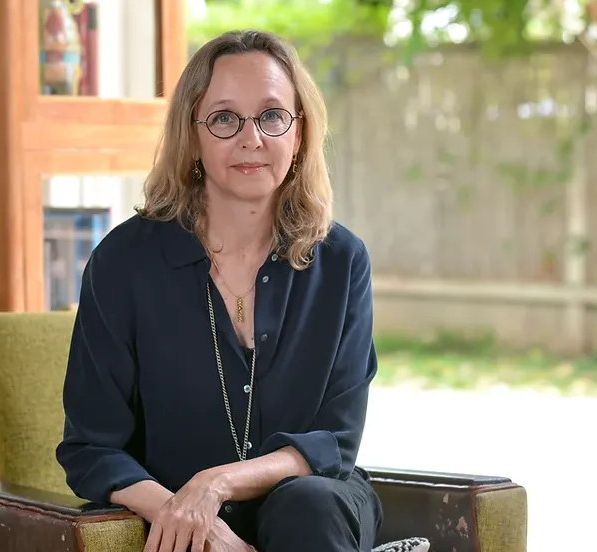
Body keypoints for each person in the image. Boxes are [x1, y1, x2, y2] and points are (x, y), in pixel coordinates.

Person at [56, 29, 383, 552]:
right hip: (172, 513)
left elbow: (335, 440)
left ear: (299, 134)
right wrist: (193, 519)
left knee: (308, 504)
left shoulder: (342, 262)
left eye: (272, 116)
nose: (251, 138)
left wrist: (216, 483)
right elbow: (91, 448)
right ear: (192, 135)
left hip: (316, 513)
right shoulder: (123, 263)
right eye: (225, 119)